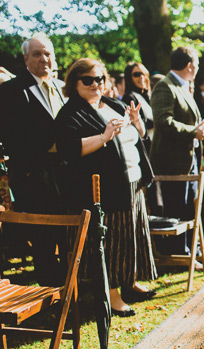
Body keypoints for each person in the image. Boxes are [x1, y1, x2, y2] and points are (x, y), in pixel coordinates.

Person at [55, 58, 158, 317]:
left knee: (133, 235)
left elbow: (138, 137)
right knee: (113, 241)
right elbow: (69, 149)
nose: (95, 84)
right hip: (103, 188)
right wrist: (103, 136)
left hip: (133, 182)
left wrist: (137, 123)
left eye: (99, 79)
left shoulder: (114, 103)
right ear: (74, 83)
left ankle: (130, 282)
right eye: (87, 80)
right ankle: (112, 295)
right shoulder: (70, 112)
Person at [0, 33, 68, 286]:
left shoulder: (62, 89)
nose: (44, 59)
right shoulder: (11, 90)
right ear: (25, 58)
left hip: (64, 172)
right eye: (37, 54)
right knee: (43, 237)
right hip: (33, 174)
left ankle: (69, 288)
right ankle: (50, 292)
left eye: (48, 53)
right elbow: (8, 133)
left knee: (66, 232)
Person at [149, 46, 204, 257]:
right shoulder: (165, 86)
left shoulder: (183, 86)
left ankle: (188, 250)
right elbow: (163, 122)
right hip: (172, 161)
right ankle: (177, 253)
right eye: (197, 65)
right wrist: (194, 132)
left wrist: (200, 130)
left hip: (188, 158)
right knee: (176, 207)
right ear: (190, 66)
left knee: (188, 205)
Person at [122, 62, 154, 149]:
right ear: (129, 78)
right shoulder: (129, 98)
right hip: (145, 146)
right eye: (136, 74)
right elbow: (137, 122)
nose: (141, 77)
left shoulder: (147, 96)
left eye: (143, 73)